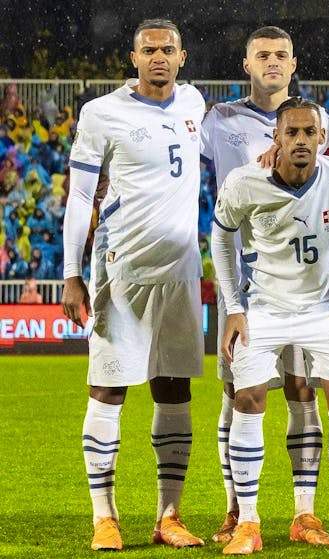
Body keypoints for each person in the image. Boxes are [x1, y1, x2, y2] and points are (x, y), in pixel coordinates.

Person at [211, 97, 329, 555]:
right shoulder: (244, 182)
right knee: (247, 398)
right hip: (263, 308)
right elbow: (221, 234)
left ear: (323, 139)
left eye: (310, 133)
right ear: (276, 138)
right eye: (292, 133)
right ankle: (248, 521)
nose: (302, 140)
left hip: (324, 310)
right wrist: (232, 305)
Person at [62, 19, 206, 551]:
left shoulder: (193, 104)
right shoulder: (102, 114)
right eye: (150, 50)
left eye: (168, 49)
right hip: (122, 273)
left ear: (183, 56)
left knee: (175, 388)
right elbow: (80, 198)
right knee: (110, 387)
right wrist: (71, 273)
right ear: (134, 57)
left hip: (182, 273)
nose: (159, 58)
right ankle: (106, 516)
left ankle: (169, 515)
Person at [199, 25, 329, 546]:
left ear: (294, 61)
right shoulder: (217, 119)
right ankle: (237, 510)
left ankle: (305, 511)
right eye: (263, 55)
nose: (273, 62)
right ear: (247, 64)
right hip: (243, 281)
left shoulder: (317, 121)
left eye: (282, 54)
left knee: (304, 391)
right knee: (237, 392)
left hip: (303, 281)